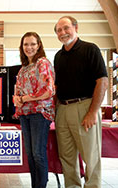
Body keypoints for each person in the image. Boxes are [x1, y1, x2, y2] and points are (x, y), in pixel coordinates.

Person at [54, 16, 108, 188]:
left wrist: (92, 112)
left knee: (90, 157)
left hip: (85, 107)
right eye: (59, 30)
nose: (63, 33)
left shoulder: (90, 49)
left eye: (66, 28)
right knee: (67, 157)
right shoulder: (58, 56)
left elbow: (103, 81)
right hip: (62, 110)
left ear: (76, 27)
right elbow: (56, 86)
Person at [13, 32, 55, 188]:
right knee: (30, 155)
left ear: (39, 45)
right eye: (26, 44)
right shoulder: (23, 68)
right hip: (25, 114)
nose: (29, 47)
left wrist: (24, 99)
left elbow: (48, 90)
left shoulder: (42, 63)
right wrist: (16, 98)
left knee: (38, 154)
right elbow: (18, 91)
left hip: (40, 113)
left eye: (32, 44)